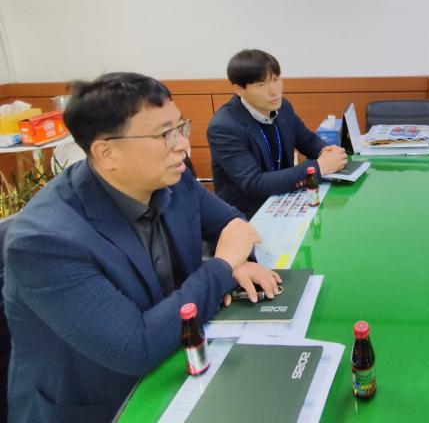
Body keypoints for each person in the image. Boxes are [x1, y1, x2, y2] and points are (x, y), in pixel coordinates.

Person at [4, 72, 282, 422]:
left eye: (181, 127)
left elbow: (231, 223)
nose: (182, 144)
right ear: (106, 152)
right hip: (103, 404)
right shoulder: (44, 242)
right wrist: (224, 266)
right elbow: (136, 347)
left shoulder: (172, 177)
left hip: (178, 365)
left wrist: (237, 263)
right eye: (165, 134)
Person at [207, 49, 347, 218]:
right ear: (239, 89)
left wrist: (325, 151)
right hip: (247, 216)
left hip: (286, 201)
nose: (274, 91)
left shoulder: (282, 107)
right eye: (261, 84)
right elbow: (254, 183)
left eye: (276, 80)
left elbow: (307, 140)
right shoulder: (224, 127)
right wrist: (317, 168)